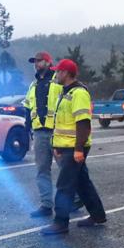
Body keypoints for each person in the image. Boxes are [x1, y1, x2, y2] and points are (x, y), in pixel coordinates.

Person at [42, 59, 108, 235]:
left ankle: (60, 222)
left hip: (75, 146)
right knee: (82, 182)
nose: (56, 74)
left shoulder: (79, 93)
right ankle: (98, 215)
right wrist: (57, 145)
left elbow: (83, 123)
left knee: (64, 185)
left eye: (58, 72)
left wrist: (78, 149)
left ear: (65, 73)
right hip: (67, 145)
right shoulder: (65, 92)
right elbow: (62, 122)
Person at [23, 51, 61, 218]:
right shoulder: (33, 85)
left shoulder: (58, 81)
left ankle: (75, 199)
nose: (36, 64)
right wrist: (27, 126)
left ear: (48, 62)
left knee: (66, 169)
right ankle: (46, 205)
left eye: (39, 61)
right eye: (35, 62)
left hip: (58, 131)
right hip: (39, 132)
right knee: (42, 170)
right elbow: (28, 106)